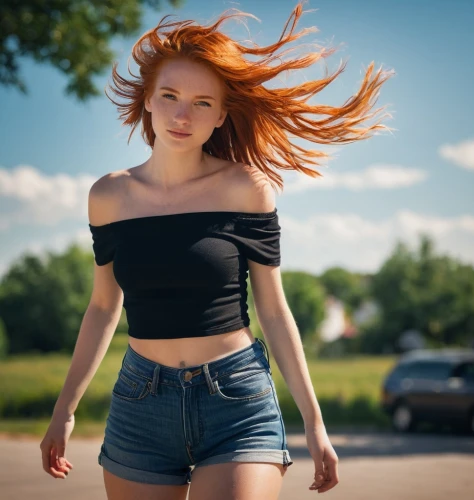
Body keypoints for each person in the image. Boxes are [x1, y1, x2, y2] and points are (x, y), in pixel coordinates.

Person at [39, 2, 393, 498]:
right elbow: (102, 306)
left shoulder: (245, 189)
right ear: (147, 100)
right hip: (140, 402)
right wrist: (64, 410)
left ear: (222, 113)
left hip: (236, 400)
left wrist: (314, 423)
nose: (183, 116)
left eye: (203, 103)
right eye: (170, 96)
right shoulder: (109, 197)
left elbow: (273, 308)